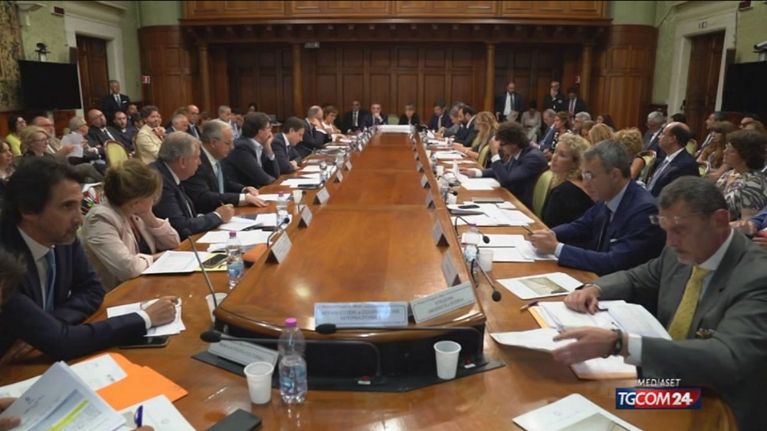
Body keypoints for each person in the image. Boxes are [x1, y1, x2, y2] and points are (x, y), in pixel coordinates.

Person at [553, 177, 767, 431]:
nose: (670, 242)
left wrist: (620, 344)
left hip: (716, 400)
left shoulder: (757, 276)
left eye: (680, 230)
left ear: (719, 220)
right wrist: (594, 288)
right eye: (666, 229)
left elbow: (727, 358)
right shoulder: (680, 253)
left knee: (611, 404)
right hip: (670, 379)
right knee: (583, 397)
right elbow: (637, 277)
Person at [0, 157, 178, 361]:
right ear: (28, 210)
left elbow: (92, 289)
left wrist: (46, 325)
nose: (79, 219)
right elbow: (62, 342)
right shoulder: (5, 260)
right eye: (67, 207)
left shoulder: (61, 236)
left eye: (79, 205)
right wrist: (145, 318)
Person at [528, 140, 665, 275]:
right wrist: (547, 234)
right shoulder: (608, 196)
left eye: (590, 176)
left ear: (614, 175)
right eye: (584, 175)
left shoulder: (644, 211)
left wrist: (557, 248)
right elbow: (581, 226)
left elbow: (614, 262)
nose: (585, 184)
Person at [81, 160, 180, 290]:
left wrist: (149, 217)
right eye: (151, 197)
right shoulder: (100, 219)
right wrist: (156, 258)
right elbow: (128, 269)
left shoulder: (135, 212)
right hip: (118, 294)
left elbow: (173, 242)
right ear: (135, 201)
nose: (153, 200)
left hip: (147, 284)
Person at [152, 132, 234, 240]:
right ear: (182, 161)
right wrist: (218, 216)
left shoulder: (171, 173)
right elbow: (181, 227)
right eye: (197, 158)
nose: (200, 163)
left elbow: (188, 215)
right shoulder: (159, 181)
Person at [182, 119, 266, 213]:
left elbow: (223, 183)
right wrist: (241, 198)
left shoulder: (217, 156)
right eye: (228, 143)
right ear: (213, 143)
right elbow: (203, 196)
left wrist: (243, 189)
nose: (232, 147)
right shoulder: (196, 161)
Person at [462, 122, 547, 208]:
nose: (500, 148)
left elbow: (506, 181)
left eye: (502, 144)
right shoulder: (518, 152)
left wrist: (494, 153)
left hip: (522, 205)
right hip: (511, 198)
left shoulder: (533, 158)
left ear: (514, 143)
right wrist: (477, 173)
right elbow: (504, 169)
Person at [540, 133, 594, 228]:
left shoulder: (563, 192)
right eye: (555, 152)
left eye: (562, 155)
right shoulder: (581, 184)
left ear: (576, 163)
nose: (554, 157)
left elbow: (548, 226)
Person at [714, 129, 767, 221]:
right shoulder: (728, 174)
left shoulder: (753, 183)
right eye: (726, 147)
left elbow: (747, 223)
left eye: (731, 151)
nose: (724, 152)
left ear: (746, 157)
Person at [223, 112, 280, 189]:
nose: (271, 131)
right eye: (268, 127)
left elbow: (275, 174)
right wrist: (275, 181)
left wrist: (269, 149)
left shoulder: (260, 145)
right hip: (241, 193)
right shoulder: (241, 147)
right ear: (260, 132)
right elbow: (263, 179)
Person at [644, 122, 700, 197]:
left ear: (672, 139)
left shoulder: (686, 165)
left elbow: (675, 197)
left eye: (663, 134)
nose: (659, 137)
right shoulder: (667, 157)